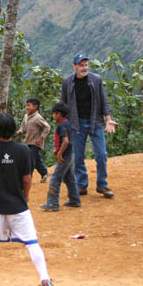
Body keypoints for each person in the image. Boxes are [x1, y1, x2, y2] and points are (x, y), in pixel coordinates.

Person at [0, 113, 56, 286]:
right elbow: (27, 179)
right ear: (13, 130)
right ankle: (45, 279)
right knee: (32, 242)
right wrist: (26, 196)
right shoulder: (23, 150)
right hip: (18, 206)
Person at [60, 53, 118, 198]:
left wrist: (108, 119)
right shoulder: (67, 82)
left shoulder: (96, 80)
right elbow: (63, 104)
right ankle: (81, 185)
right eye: (81, 65)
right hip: (76, 124)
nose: (84, 68)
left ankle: (102, 185)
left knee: (102, 154)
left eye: (86, 65)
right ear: (74, 67)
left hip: (95, 122)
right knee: (78, 156)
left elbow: (104, 101)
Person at [40, 103, 81, 212]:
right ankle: (75, 200)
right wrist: (57, 150)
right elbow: (66, 140)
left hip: (65, 156)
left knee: (55, 179)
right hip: (70, 154)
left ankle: (52, 203)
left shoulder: (61, 126)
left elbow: (66, 141)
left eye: (54, 114)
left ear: (58, 114)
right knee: (69, 178)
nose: (53, 116)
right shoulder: (67, 124)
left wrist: (59, 154)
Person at [15, 98, 51, 183]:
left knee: (30, 160)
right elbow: (23, 128)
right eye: (26, 105)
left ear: (35, 107)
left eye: (29, 105)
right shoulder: (26, 116)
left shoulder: (38, 118)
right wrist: (19, 132)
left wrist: (41, 137)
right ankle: (44, 172)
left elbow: (47, 127)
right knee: (36, 159)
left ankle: (27, 179)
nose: (27, 107)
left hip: (35, 143)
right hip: (27, 141)